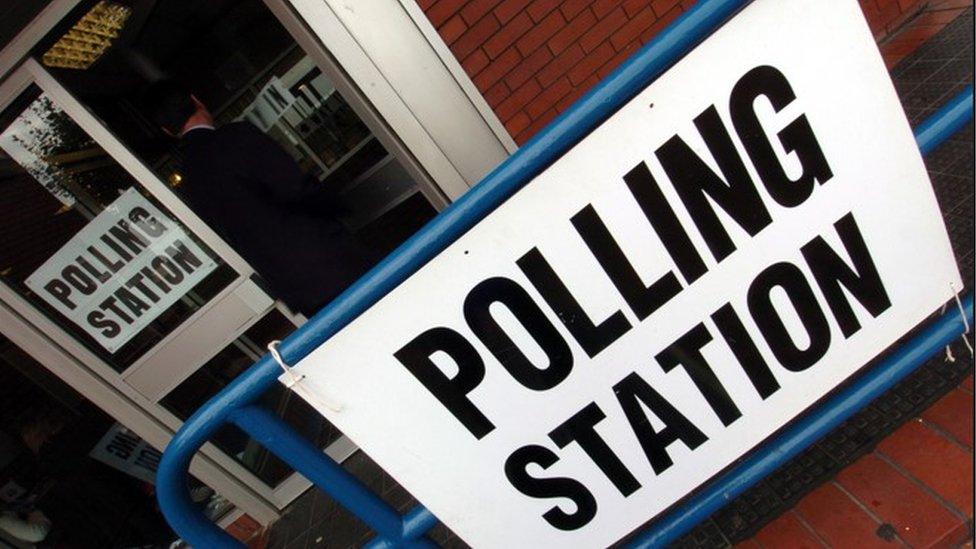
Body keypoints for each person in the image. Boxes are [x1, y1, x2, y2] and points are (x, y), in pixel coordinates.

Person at [142, 80, 375, 316]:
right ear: (196, 101)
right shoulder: (236, 137)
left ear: (168, 131)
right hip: (329, 259)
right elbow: (294, 188)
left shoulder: (189, 182)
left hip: (292, 286)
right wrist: (343, 205)